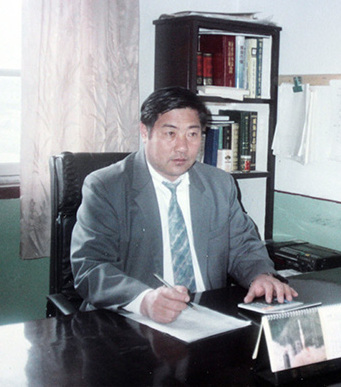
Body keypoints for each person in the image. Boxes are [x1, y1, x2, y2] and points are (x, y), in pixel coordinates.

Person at [71, 86, 297, 324]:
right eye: (170, 133)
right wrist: (144, 300)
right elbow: (90, 267)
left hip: (208, 316)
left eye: (192, 134)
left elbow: (243, 246)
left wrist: (261, 275)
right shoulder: (106, 186)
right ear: (145, 132)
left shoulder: (219, 184)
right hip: (130, 319)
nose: (182, 147)